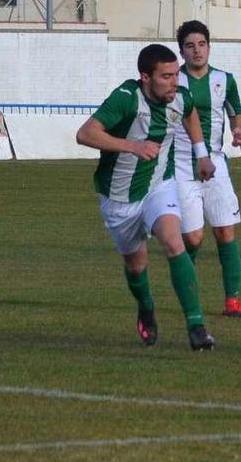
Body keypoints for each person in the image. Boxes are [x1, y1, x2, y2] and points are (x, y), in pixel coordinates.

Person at [76, 43, 217, 350]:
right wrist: (133, 146)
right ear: (144, 77)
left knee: (173, 240)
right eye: (165, 76)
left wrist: (201, 154)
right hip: (118, 198)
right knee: (136, 265)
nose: (174, 82)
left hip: (158, 185)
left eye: (176, 74)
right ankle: (146, 307)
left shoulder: (180, 97)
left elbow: (190, 114)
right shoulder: (126, 99)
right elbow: (85, 134)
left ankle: (196, 327)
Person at [174, 20, 241, 318]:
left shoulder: (224, 79)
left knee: (225, 232)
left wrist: (238, 130)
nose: (197, 51)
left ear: (209, 46)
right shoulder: (172, 80)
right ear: (181, 51)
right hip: (180, 164)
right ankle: (186, 289)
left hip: (216, 163)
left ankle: (233, 300)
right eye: (190, 46)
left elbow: (236, 110)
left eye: (201, 44)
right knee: (193, 238)